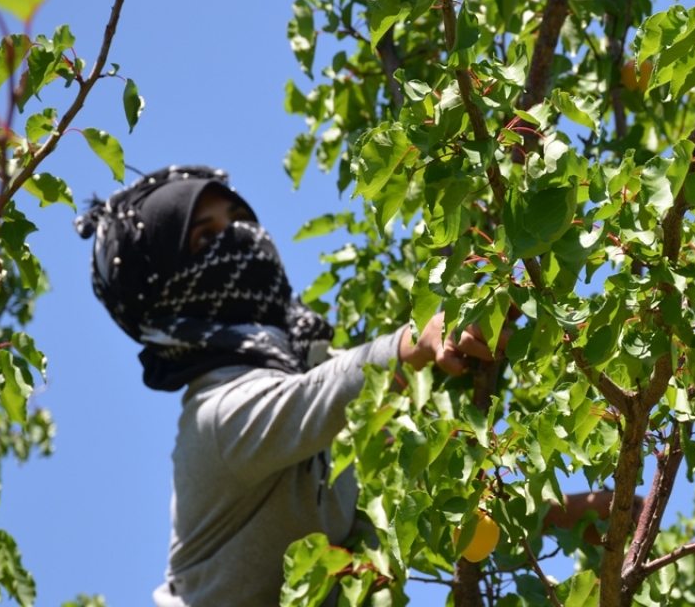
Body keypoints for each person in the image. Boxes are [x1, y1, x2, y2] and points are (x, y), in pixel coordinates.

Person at [74, 165, 616, 606]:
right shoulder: (218, 417)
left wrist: (560, 513)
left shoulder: (305, 383)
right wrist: (413, 342)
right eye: (207, 237)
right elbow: (320, 397)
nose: (240, 238)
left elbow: (409, 517)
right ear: (170, 290)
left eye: (240, 219)